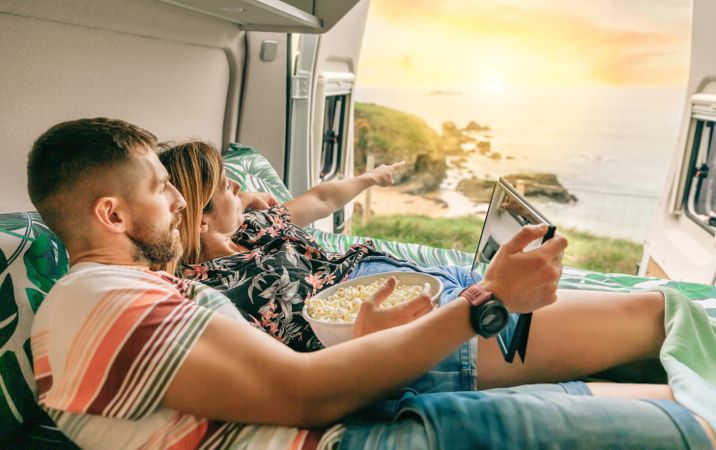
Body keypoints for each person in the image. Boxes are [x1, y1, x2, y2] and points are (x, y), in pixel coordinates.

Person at [27, 118, 715, 449]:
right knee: (693, 423)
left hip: (358, 422)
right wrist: (488, 302)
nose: (178, 202)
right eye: (160, 191)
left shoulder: (130, 296)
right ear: (111, 214)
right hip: (356, 443)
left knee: (668, 383)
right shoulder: (97, 299)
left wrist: (364, 345)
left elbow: (297, 384)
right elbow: (304, 394)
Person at [161, 141, 666, 389]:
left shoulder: (256, 224)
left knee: (635, 339)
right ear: (195, 216)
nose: (237, 187)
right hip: (401, 322)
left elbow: (318, 197)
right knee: (651, 316)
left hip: (420, 281)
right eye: (222, 185)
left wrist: (369, 178)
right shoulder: (198, 290)